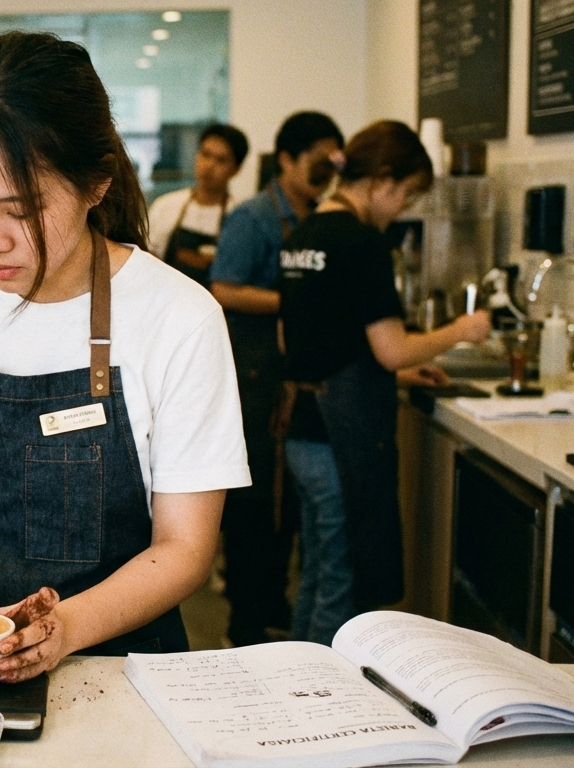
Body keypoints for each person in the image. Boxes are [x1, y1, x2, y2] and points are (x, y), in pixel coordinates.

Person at [0, 31, 249, 682]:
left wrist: (66, 629)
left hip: (124, 675)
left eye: (21, 210)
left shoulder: (179, 317)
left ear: (96, 183)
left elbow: (185, 548)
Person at [276, 120, 491, 645]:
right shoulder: (362, 243)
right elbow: (391, 346)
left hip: (302, 431)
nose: (403, 209)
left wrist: (389, 368)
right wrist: (461, 330)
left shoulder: (302, 233)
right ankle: (322, 707)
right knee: (342, 584)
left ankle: (296, 682)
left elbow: (296, 339)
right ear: (385, 179)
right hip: (340, 439)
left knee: (317, 575)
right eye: (408, 195)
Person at [208, 111, 345, 647]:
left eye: (333, 166)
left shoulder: (318, 216)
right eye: (317, 164)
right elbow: (223, 287)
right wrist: (296, 302)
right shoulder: (254, 218)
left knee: (285, 511)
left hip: (291, 384)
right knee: (254, 508)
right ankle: (244, 626)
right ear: (285, 159)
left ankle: (272, 610)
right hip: (253, 380)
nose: (326, 175)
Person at [145, 123, 248, 287]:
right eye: (205, 154)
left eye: (221, 160)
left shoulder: (240, 215)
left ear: (236, 169)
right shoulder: (166, 206)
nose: (209, 166)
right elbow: (146, 257)